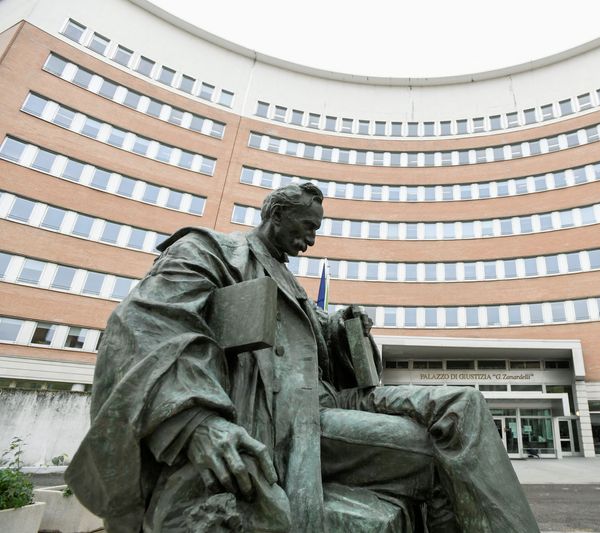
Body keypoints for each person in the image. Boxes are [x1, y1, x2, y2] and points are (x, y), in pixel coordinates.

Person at [65, 182, 539, 532]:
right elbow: (147, 322)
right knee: (434, 453)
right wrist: (196, 421)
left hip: (335, 399)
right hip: (289, 415)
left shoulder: (292, 282)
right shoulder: (214, 250)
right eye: (307, 226)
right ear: (276, 214)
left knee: (466, 404)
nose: (311, 239)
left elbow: (314, 349)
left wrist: (341, 327)